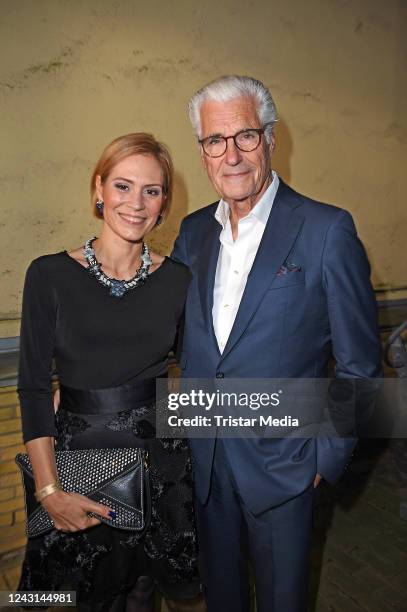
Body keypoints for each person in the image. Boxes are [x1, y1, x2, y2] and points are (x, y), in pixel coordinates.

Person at [171, 75, 382, 612]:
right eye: (215, 141)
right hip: (208, 463)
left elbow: (360, 365)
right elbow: (174, 339)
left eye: (245, 136)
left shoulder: (326, 229)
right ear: (202, 152)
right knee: (222, 599)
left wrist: (323, 458)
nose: (232, 155)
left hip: (286, 468)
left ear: (269, 138)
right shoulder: (192, 234)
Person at [17, 133, 200, 611]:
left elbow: (204, 368)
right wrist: (49, 490)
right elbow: (34, 388)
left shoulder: (178, 280)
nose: (136, 204)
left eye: (152, 191)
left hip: (160, 459)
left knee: (142, 591)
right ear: (99, 190)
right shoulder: (48, 275)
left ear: (164, 203)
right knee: (76, 596)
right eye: (123, 186)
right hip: (79, 460)